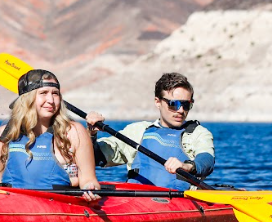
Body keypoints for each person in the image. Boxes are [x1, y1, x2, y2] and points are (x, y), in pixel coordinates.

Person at [0, 68, 101, 200]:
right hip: (12, 206)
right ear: (27, 99)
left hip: (58, 207)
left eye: (55, 93)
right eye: (43, 93)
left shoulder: (74, 132)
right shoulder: (2, 135)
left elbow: (89, 180)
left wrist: (90, 188)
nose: (51, 100)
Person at [86, 72, 214, 191]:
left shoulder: (198, 133)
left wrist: (187, 166)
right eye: (173, 104)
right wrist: (91, 134)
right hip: (135, 201)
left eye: (186, 105)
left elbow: (206, 160)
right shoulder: (137, 131)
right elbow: (95, 157)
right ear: (157, 102)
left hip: (178, 203)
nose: (180, 110)